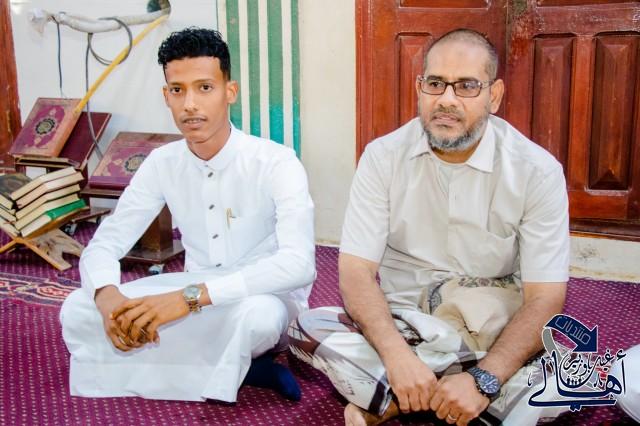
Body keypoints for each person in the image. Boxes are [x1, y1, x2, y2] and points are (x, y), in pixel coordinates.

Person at [289, 28, 570, 425]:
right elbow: (355, 273)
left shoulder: (536, 171)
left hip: (487, 329)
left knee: (566, 387)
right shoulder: (383, 157)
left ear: (494, 95)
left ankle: (400, 399)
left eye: (467, 86)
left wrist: (486, 378)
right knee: (305, 329)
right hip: (405, 324)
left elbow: (545, 298)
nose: (447, 100)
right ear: (419, 88)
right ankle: (447, 395)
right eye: (435, 84)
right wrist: (396, 356)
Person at [60, 27, 315, 403]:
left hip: (261, 297)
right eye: (177, 90)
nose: (190, 104)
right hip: (192, 293)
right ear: (166, 96)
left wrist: (188, 299)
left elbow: (299, 266)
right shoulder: (162, 162)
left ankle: (229, 361)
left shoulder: (276, 162)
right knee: (78, 308)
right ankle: (238, 368)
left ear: (230, 91)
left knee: (257, 319)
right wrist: (108, 296)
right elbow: (106, 243)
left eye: (204, 88)